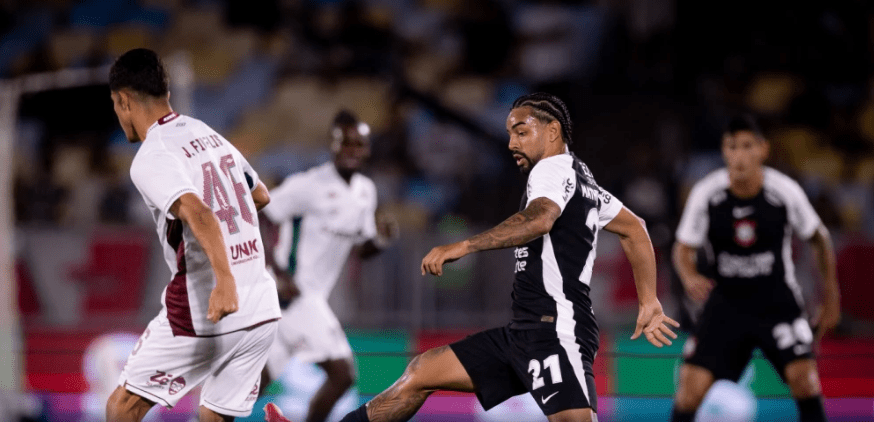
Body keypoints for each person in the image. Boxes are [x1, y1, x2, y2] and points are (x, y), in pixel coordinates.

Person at [308, 92, 677, 422]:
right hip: (525, 331)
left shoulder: (550, 170)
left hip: (555, 332)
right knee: (422, 371)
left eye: (521, 131)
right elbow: (635, 228)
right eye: (510, 134)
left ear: (552, 132)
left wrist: (464, 246)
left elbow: (541, 218)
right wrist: (648, 300)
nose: (512, 143)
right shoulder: (582, 179)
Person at [104, 48, 281, 422]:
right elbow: (260, 195)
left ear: (123, 101)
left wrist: (225, 281)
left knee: (122, 408)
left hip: (205, 311)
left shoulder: (152, 155)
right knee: (214, 417)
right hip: (262, 308)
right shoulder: (207, 133)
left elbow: (198, 212)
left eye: (116, 107)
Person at [669, 114, 841, 422]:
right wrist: (689, 274)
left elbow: (820, 239)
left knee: (805, 381)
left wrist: (831, 299)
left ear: (762, 150)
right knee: (689, 390)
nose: (739, 155)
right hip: (727, 304)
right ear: (724, 152)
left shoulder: (784, 191)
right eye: (732, 146)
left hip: (776, 302)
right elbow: (683, 247)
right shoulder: (707, 193)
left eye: (747, 146)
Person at [261, 110, 398, 422]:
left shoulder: (366, 191)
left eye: (358, 144)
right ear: (332, 145)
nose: (351, 150)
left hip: (311, 297)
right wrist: (278, 273)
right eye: (344, 143)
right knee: (343, 373)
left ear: (367, 149)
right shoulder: (308, 184)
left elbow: (359, 250)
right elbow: (262, 215)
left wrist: (380, 242)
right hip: (293, 293)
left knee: (258, 381)